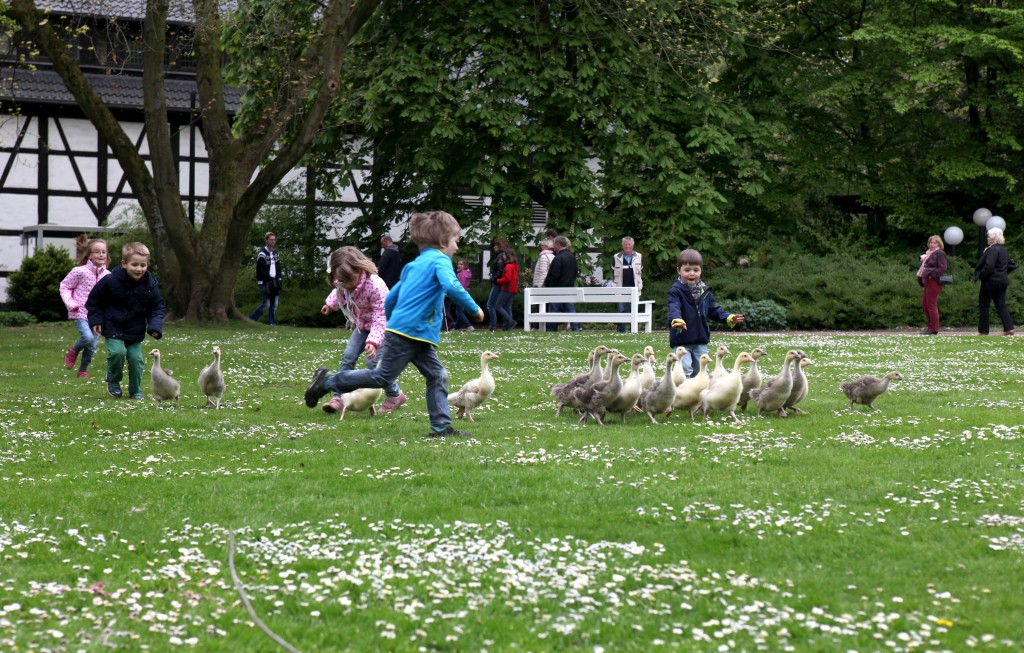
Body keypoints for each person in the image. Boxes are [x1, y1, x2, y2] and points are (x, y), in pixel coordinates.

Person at [305, 210, 485, 438]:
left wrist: (394, 321)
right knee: (381, 377)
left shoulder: (413, 265)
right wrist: (475, 309)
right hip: (410, 333)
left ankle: (441, 427)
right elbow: (451, 286)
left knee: (437, 375)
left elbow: (391, 299)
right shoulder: (440, 260)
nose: (456, 247)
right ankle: (329, 382)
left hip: (415, 334)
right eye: (455, 241)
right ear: (442, 242)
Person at [319, 246, 407, 415]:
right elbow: (339, 292)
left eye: (350, 280)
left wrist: (373, 342)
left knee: (374, 365)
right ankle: (339, 396)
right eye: (342, 281)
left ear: (359, 269)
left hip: (383, 327)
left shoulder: (375, 285)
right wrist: (330, 305)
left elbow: (381, 316)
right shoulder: (344, 282)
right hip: (362, 326)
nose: (347, 285)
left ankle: (395, 395)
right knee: (348, 356)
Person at [85, 242, 165, 399]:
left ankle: (135, 390)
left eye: (143, 265)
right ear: (124, 264)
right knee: (118, 352)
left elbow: (156, 308)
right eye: (134, 264)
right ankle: (113, 381)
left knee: (136, 359)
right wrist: (96, 320)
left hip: (135, 329)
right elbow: (94, 301)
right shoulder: (110, 281)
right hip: (112, 326)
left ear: (147, 265)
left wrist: (155, 327)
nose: (139, 269)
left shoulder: (150, 286)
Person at [666, 248, 744, 378]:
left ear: (701, 271)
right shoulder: (675, 291)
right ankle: (682, 390)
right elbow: (674, 307)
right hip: (682, 339)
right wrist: (676, 319)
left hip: (700, 339)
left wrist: (728, 318)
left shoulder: (704, 291)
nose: (692, 274)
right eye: (687, 270)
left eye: (696, 270)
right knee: (684, 369)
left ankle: (699, 391)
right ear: (679, 270)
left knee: (701, 370)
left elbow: (713, 310)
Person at [59, 238, 111, 378]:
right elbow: (65, 286)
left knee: (92, 346)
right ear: (89, 255)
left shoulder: (108, 276)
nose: (101, 255)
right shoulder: (79, 271)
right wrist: (71, 304)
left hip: (98, 316)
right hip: (80, 312)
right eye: (97, 252)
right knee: (87, 337)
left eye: (104, 252)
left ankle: (83, 370)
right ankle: (73, 351)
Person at [973, 227, 1016, 336]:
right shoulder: (1004, 250)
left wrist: (981, 275)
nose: (987, 238)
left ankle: (983, 330)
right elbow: (1011, 264)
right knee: (1001, 304)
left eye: (988, 237)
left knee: (984, 305)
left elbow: (989, 266)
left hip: (990, 281)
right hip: (1002, 281)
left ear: (992, 238)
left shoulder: (992, 250)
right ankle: (1009, 328)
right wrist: (1003, 273)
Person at [542, 235, 579, 331]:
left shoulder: (558, 257)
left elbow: (555, 274)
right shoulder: (572, 256)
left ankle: (551, 329)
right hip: (569, 287)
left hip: (557, 288)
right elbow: (575, 272)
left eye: (554, 244)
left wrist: (549, 285)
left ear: (558, 244)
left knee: (554, 310)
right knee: (570, 308)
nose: (553, 246)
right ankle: (576, 327)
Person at [917, 234, 948, 335]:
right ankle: (930, 326)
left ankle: (934, 328)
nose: (932, 244)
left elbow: (942, 268)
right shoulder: (928, 254)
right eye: (931, 242)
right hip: (927, 280)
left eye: (935, 243)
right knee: (925, 304)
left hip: (934, 281)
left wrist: (931, 274)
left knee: (931, 304)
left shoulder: (940, 253)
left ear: (939, 244)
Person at [249, 231, 282, 325]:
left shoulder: (275, 254)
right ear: (266, 240)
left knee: (274, 304)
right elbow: (260, 270)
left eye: (274, 240)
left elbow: (278, 268)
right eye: (271, 239)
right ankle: (251, 319)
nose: (273, 241)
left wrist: (279, 279)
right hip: (265, 282)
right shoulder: (262, 254)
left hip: (275, 282)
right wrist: (268, 279)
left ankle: (272, 323)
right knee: (266, 304)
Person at [612, 236, 644, 333]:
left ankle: (633, 330)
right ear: (622, 246)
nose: (627, 246)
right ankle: (621, 330)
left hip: (634, 288)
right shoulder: (616, 257)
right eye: (625, 244)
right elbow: (613, 271)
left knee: (633, 310)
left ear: (632, 245)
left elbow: (641, 271)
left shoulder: (639, 256)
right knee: (621, 310)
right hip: (620, 288)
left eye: (629, 244)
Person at [486, 238, 509, 331]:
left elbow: (500, 270)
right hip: (501, 283)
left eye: (495, 245)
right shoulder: (503, 255)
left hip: (498, 283)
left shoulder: (500, 256)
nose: (494, 247)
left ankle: (493, 325)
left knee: (490, 304)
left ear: (500, 246)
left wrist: (494, 278)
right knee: (503, 305)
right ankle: (506, 324)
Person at [495, 248, 520, 330]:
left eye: (504, 255)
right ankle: (507, 326)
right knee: (507, 307)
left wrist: (498, 280)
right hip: (513, 288)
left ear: (508, 256)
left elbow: (507, 279)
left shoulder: (508, 266)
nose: (503, 256)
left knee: (498, 306)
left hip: (507, 288)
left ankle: (510, 321)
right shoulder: (515, 265)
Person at [452, 258, 475, 330]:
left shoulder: (461, 274)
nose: (459, 265)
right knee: (459, 310)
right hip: (465, 293)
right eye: (458, 264)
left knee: (459, 311)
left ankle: (469, 325)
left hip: (460, 293)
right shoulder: (467, 273)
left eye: (461, 264)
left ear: (465, 265)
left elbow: (460, 285)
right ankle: (457, 327)